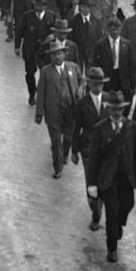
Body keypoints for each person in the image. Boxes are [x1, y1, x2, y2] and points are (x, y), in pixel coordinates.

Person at [85, 91, 136, 263]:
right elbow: (93, 158)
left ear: (124, 110)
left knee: (128, 204)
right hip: (107, 178)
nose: (117, 113)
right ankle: (112, 249)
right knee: (111, 212)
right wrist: (92, 184)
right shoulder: (99, 128)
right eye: (113, 109)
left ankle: (118, 224)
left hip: (126, 176)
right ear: (108, 109)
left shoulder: (132, 127)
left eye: (120, 109)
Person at [35, 42, 83, 179]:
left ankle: (65, 153)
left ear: (64, 54)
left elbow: (82, 80)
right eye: (54, 54)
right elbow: (41, 92)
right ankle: (58, 167)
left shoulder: (73, 67)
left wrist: (80, 90)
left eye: (59, 53)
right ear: (50, 57)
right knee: (56, 141)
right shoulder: (46, 71)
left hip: (70, 109)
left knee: (68, 136)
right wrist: (39, 113)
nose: (57, 56)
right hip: (54, 111)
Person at [71, 66, 110, 229]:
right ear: (89, 84)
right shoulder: (82, 103)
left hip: (107, 149)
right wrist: (74, 151)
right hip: (87, 148)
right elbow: (76, 127)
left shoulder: (110, 99)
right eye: (95, 83)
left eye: (101, 83)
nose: (98, 86)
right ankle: (96, 213)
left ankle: (102, 206)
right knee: (91, 182)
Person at [16, 0, 57, 106]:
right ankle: (32, 93)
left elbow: (56, 32)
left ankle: (42, 93)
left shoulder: (51, 16)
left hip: (45, 52)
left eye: (42, 5)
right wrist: (17, 46)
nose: (39, 8)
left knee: (45, 72)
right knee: (30, 73)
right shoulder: (27, 16)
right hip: (30, 50)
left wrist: (53, 36)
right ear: (34, 5)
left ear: (45, 6)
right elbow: (19, 31)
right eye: (38, 5)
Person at [91, 17, 136, 99]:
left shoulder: (126, 44)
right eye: (112, 29)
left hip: (123, 80)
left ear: (120, 29)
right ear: (108, 30)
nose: (115, 32)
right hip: (108, 80)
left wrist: (133, 85)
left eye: (117, 29)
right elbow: (96, 64)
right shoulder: (100, 44)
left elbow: (131, 65)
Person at [72, 0, 106, 67]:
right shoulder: (73, 21)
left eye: (88, 7)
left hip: (92, 55)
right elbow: (71, 39)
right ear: (80, 7)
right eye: (84, 6)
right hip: (78, 54)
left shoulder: (97, 21)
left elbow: (100, 38)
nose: (86, 9)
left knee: (90, 75)